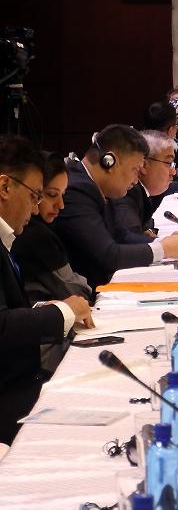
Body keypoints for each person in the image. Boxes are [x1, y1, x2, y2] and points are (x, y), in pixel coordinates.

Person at [0, 135, 92, 444]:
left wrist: (48, 309)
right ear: (5, 187)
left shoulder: (7, 240)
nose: (36, 207)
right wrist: (64, 311)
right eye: (35, 196)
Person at [50, 125, 178, 290]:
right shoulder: (76, 192)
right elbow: (108, 255)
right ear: (109, 162)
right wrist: (163, 249)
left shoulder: (97, 187)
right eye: (134, 170)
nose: (135, 180)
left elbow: (121, 236)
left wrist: (165, 243)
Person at [12, 152, 93, 303]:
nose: (61, 205)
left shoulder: (43, 229)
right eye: (52, 194)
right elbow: (76, 293)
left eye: (63, 194)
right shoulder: (35, 235)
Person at [113, 131, 176, 236]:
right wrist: (164, 244)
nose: (173, 172)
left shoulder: (140, 192)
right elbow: (128, 239)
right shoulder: (128, 193)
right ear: (144, 165)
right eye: (168, 163)